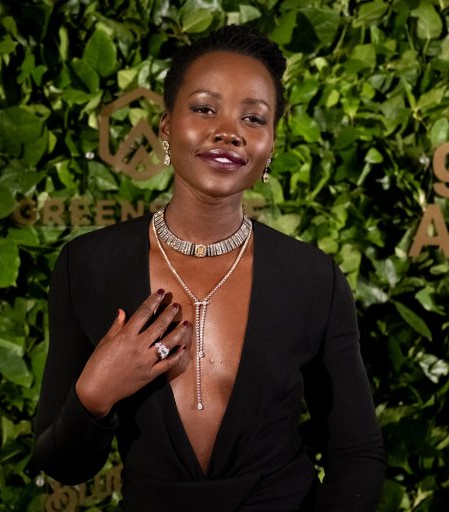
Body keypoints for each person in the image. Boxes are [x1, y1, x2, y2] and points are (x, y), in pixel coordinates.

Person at [33, 24, 386, 511]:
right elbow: (61, 464)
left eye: (253, 118)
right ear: (165, 126)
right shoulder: (89, 266)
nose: (229, 132)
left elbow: (356, 453)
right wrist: (95, 393)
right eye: (204, 109)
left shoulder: (312, 280)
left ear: (271, 144)